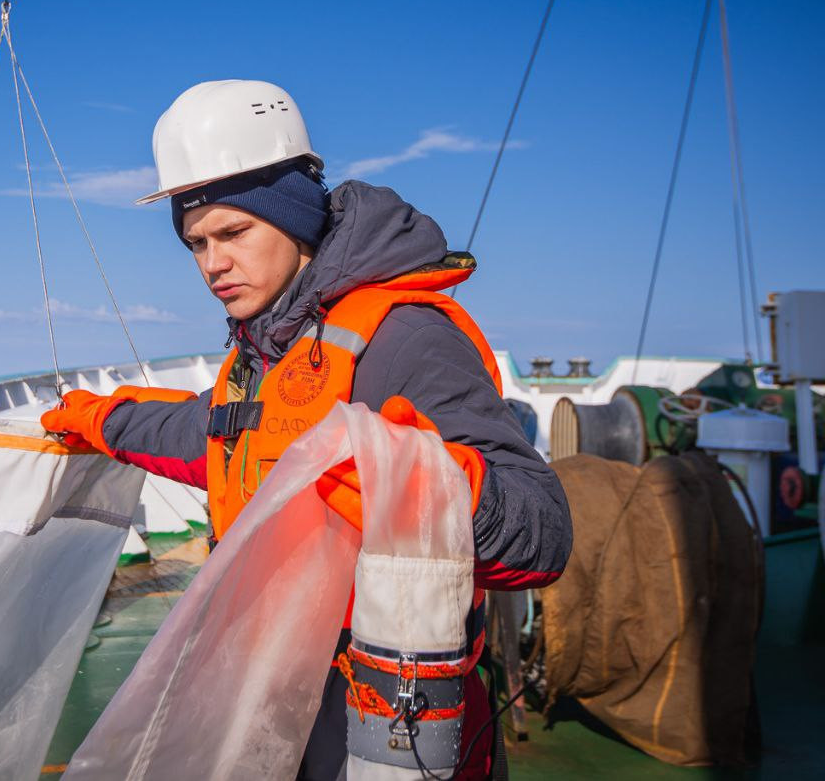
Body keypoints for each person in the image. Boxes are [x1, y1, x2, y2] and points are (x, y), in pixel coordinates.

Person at [42, 80, 571, 779]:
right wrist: (102, 419)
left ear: (294, 221)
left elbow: (545, 532)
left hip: (386, 712)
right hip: (270, 694)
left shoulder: (404, 338)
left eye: (233, 233)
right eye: (195, 242)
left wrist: (424, 488)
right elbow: (210, 435)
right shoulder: (263, 355)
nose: (211, 264)